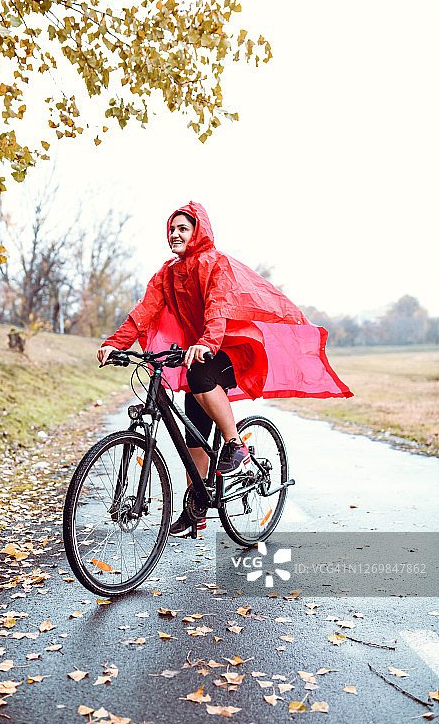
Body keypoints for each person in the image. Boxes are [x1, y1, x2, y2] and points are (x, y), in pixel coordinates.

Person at [97, 201, 352, 537]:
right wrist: (116, 343)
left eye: (182, 229)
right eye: (171, 229)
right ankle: (196, 509)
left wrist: (207, 342)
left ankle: (235, 445)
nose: (175, 234)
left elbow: (219, 306)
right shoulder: (166, 274)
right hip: (199, 351)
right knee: (193, 432)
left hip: (231, 348)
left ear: (197, 231)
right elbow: (144, 312)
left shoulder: (216, 264)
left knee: (200, 376)